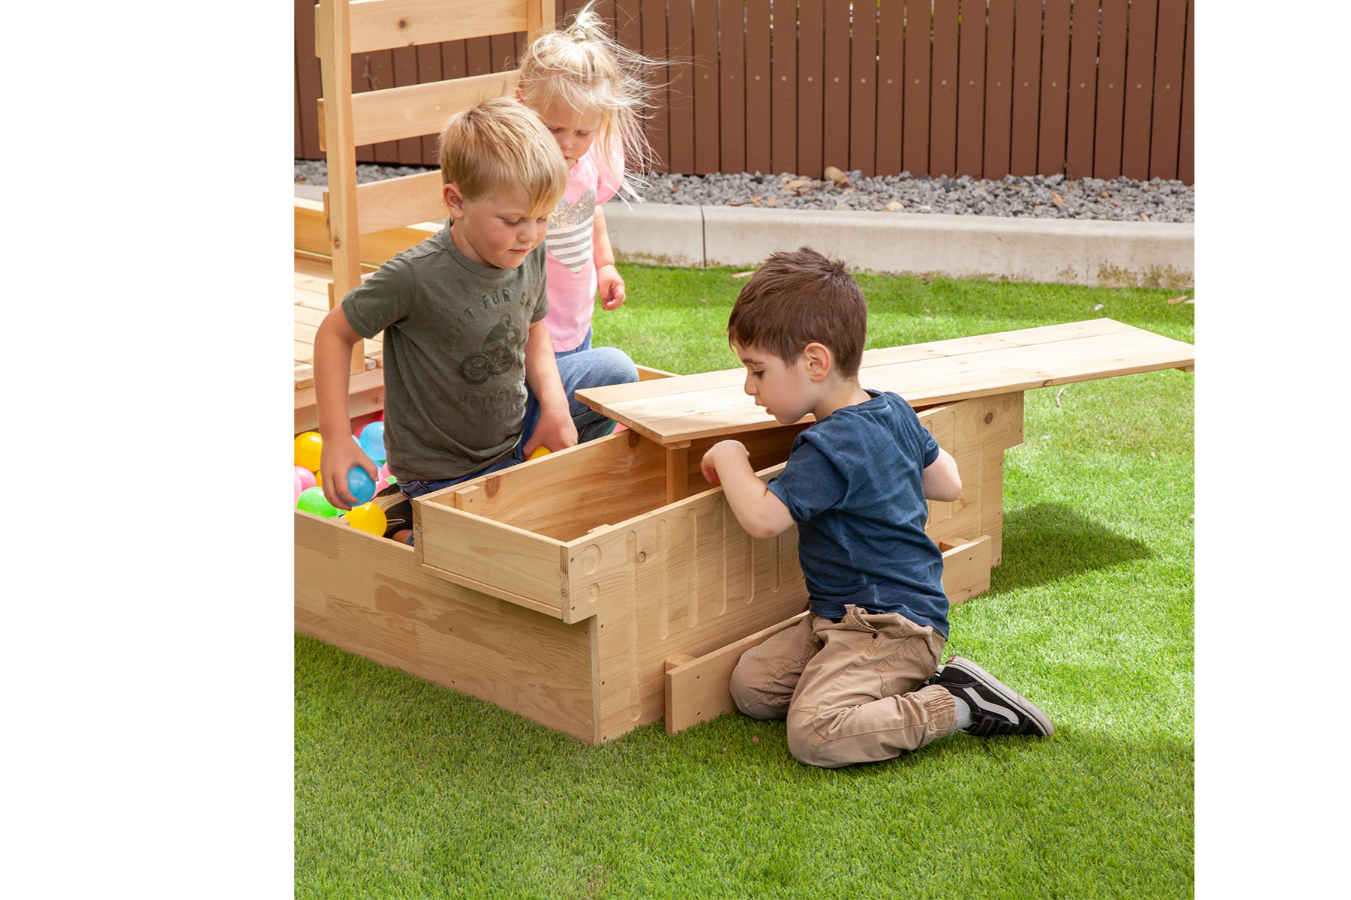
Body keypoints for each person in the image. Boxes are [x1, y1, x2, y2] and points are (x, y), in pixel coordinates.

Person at [701, 248, 1055, 769]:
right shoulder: (891, 408)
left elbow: (762, 518)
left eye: (758, 371)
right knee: (753, 688)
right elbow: (948, 482)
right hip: (837, 618)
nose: (749, 388)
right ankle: (881, 687)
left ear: (816, 362)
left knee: (814, 736)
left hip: (890, 627)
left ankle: (958, 702)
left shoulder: (828, 447)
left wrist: (730, 455)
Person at [310, 97, 638, 542]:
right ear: (456, 202)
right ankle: (408, 523)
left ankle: (542, 480)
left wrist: (555, 407)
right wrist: (335, 438)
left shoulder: (527, 249)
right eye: (513, 219)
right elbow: (334, 333)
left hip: (513, 434)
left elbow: (534, 330)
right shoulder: (415, 276)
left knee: (614, 369)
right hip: (446, 468)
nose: (531, 234)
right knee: (498, 554)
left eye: (542, 217)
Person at [513, 4, 661, 357]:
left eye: (582, 132)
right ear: (522, 102)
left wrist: (605, 265)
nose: (568, 143)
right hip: (528, 330)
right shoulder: (515, 173)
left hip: (576, 318)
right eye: (554, 128)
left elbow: (590, 210)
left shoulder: (591, 159)